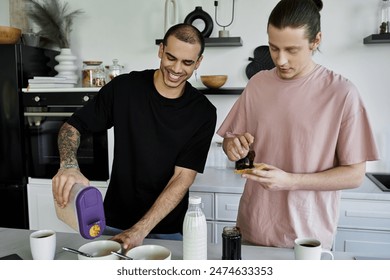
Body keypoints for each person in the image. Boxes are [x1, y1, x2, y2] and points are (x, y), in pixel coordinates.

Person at [217, 0, 379, 250]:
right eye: (273, 48)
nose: (281, 60)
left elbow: (354, 174)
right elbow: (232, 141)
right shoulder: (258, 85)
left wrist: (290, 181)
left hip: (308, 238)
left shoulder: (341, 93)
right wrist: (232, 146)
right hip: (252, 228)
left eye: (292, 50)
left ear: (316, 41)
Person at [52, 23, 217, 250]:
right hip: (113, 223)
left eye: (187, 62)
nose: (177, 68)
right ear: (160, 50)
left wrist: (140, 229)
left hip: (168, 230)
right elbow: (72, 127)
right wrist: (68, 165)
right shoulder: (124, 88)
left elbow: (183, 178)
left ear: (198, 62)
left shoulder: (203, 112)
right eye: (170, 57)